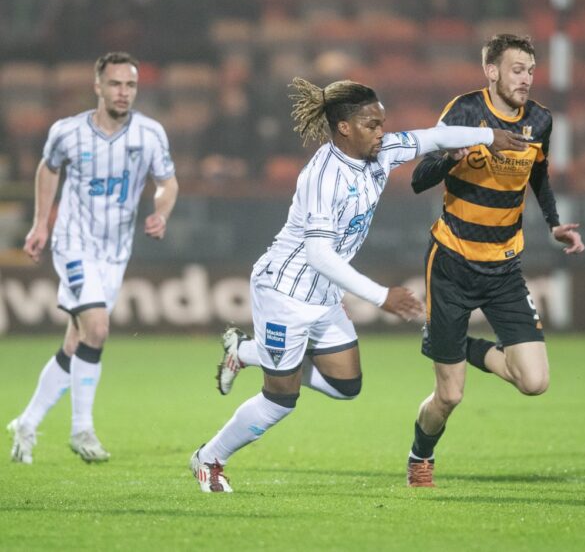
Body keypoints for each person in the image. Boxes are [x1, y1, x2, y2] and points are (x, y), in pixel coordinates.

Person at [190, 77, 527, 493]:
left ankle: (244, 352)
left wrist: (489, 135)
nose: (381, 131)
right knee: (281, 398)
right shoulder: (322, 176)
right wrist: (380, 296)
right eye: (371, 124)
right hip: (285, 294)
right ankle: (209, 459)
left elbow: (433, 137)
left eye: (382, 122)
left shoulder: (381, 151)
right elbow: (319, 255)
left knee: (345, 385)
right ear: (344, 127)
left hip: (323, 294)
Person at [404, 34, 585, 487]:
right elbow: (417, 179)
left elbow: (539, 174)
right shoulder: (464, 112)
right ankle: (420, 455)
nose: (525, 78)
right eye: (516, 69)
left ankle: (460, 346)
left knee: (535, 381)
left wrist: (553, 223)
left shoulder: (540, 120)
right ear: (492, 71)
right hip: (450, 263)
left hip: (504, 268)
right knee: (449, 396)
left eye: (530, 70)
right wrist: (451, 156)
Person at [7, 52, 179, 464]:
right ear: (98, 86)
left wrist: (161, 212)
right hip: (74, 242)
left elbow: (167, 182)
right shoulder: (67, 132)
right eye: (116, 84)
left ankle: (27, 423)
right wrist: (40, 225)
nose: (124, 92)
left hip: (115, 251)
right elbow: (48, 170)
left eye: (131, 85)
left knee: (76, 341)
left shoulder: (150, 134)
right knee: (97, 328)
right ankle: (81, 429)